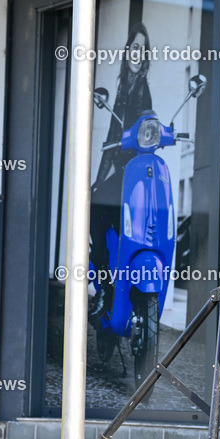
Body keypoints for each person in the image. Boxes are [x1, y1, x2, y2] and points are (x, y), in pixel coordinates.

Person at [88, 22, 153, 326]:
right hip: (122, 171)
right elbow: (111, 140)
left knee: (97, 213)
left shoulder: (142, 88)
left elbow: (145, 127)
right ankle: (105, 284)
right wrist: (99, 182)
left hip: (133, 172)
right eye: (133, 47)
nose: (136, 53)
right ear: (127, 51)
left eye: (141, 48)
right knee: (95, 205)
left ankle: (106, 286)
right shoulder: (123, 87)